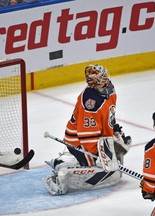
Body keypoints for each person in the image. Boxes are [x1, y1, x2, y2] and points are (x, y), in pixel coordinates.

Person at [43, 64, 132, 195]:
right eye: (102, 77)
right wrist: (99, 156)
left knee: (114, 162)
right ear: (95, 81)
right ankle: (62, 167)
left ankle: (71, 160)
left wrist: (113, 130)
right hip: (78, 142)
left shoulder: (109, 90)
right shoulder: (90, 102)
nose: (106, 78)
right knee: (101, 169)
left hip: (98, 137)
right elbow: (87, 135)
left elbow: (108, 115)